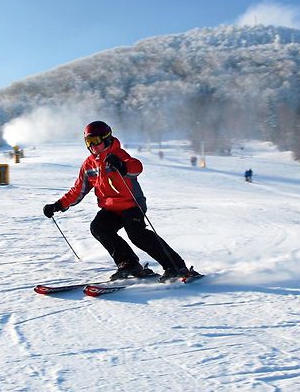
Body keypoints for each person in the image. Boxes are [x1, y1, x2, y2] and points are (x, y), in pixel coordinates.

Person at [43, 121, 198, 282]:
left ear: (107, 138)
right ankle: (129, 264)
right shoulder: (88, 165)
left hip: (132, 204)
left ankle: (175, 266)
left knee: (137, 234)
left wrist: (123, 166)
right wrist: (58, 205)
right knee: (99, 227)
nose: (92, 146)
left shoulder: (118, 155)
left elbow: (136, 167)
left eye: (95, 141)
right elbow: (77, 190)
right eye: (88, 142)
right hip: (111, 208)